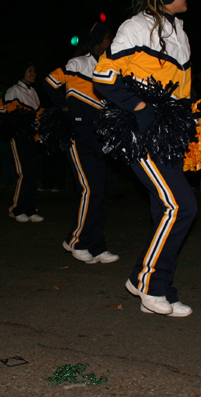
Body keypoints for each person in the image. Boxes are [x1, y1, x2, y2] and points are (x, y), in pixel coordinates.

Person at [93, 0, 195, 317]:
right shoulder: (134, 28)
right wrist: (138, 107)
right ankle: (146, 281)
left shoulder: (179, 31)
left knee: (163, 207)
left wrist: (190, 126)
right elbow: (103, 77)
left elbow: (182, 91)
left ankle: (161, 287)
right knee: (180, 206)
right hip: (140, 132)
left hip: (168, 131)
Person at [44, 22, 118, 264]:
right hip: (77, 134)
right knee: (90, 189)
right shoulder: (77, 63)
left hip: (98, 136)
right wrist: (65, 109)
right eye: (108, 37)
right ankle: (76, 240)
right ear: (97, 40)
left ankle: (95, 246)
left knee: (97, 191)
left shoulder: (109, 68)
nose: (111, 41)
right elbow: (50, 82)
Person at [0, 61, 43, 223]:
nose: (33, 73)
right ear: (21, 73)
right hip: (19, 137)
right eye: (29, 71)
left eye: (34, 71)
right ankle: (16, 209)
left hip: (31, 136)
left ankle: (29, 209)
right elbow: (1, 111)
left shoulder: (33, 91)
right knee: (24, 173)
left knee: (31, 174)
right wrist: (19, 123)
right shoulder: (14, 90)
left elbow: (37, 114)